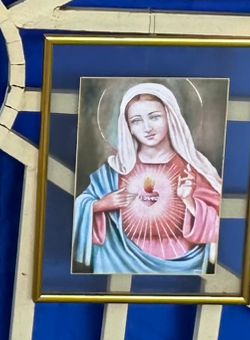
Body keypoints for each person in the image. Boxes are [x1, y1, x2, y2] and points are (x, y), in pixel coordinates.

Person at [73, 82, 222, 275]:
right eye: (136, 121)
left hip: (182, 267)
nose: (147, 128)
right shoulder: (113, 171)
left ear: (170, 117)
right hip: (119, 260)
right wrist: (101, 204)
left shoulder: (193, 170)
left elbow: (219, 222)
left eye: (154, 117)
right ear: (128, 127)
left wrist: (189, 200)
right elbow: (79, 207)